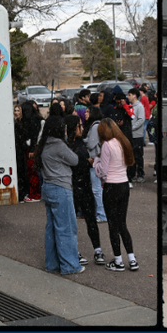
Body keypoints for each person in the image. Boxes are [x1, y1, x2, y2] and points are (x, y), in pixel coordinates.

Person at [35, 115, 84, 275]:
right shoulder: (59, 145)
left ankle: (52, 263)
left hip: (48, 187)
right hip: (61, 188)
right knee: (66, 228)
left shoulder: (44, 144)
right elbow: (75, 160)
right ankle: (70, 265)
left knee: (51, 228)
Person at [94, 118, 138, 271]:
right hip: (124, 184)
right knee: (122, 224)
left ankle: (118, 260)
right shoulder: (122, 142)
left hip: (111, 187)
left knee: (113, 225)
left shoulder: (106, 145)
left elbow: (103, 171)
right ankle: (132, 259)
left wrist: (95, 162)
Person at [65, 113, 105, 265]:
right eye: (79, 126)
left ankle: (98, 250)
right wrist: (86, 161)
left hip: (85, 185)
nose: (82, 128)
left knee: (91, 220)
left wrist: (90, 161)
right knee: (71, 222)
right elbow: (73, 164)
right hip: (73, 187)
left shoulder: (80, 142)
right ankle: (74, 251)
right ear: (73, 128)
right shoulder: (67, 145)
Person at [83, 104, 107, 222]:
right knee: (97, 188)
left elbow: (90, 144)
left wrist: (81, 140)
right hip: (98, 160)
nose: (85, 114)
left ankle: (101, 214)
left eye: (88, 112)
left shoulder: (94, 126)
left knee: (96, 189)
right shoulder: (98, 125)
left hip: (94, 161)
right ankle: (101, 213)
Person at [20, 100, 43, 202]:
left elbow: (34, 137)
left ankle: (35, 195)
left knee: (32, 172)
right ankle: (34, 194)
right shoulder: (36, 119)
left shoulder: (31, 121)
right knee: (33, 172)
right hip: (34, 149)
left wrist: (32, 149)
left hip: (31, 149)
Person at [127, 88, 145, 181]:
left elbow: (141, 120)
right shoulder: (130, 106)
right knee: (132, 156)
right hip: (131, 136)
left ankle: (140, 175)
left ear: (134, 95)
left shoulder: (139, 106)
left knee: (138, 156)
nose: (128, 97)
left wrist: (132, 128)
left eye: (129, 95)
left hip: (137, 135)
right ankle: (132, 174)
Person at [13, 103, 29, 202]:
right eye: (15, 110)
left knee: (22, 172)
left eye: (18, 110)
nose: (16, 112)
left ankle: (22, 193)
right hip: (18, 149)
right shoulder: (14, 123)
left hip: (21, 149)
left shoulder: (22, 123)